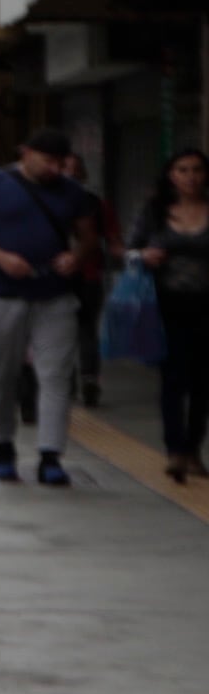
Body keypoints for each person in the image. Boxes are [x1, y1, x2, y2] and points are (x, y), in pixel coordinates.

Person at [0, 128, 107, 487]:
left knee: (56, 377)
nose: (54, 169)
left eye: (60, 162)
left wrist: (76, 256)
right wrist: (0, 258)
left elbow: (89, 237)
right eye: (47, 161)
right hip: (2, 296)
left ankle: (50, 456)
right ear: (25, 153)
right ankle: (3, 445)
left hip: (54, 297)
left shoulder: (73, 192)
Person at [134, 147, 209, 482]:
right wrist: (144, 255)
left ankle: (193, 449)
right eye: (183, 170)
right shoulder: (155, 212)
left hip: (205, 305)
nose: (190, 177)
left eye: (197, 169)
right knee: (173, 378)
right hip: (166, 304)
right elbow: (130, 249)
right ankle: (175, 450)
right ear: (171, 175)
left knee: (202, 382)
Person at [67, 150, 110, 408]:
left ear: (83, 174)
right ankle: (69, 380)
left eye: (76, 168)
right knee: (61, 331)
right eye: (67, 167)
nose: (72, 173)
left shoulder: (96, 204)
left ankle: (88, 379)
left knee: (86, 329)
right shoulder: (46, 200)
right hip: (57, 277)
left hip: (89, 275)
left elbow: (111, 236)